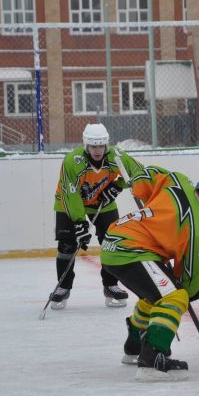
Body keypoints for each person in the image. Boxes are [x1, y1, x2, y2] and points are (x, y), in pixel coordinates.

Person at [100, 164, 199, 381]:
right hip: (130, 250)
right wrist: (188, 293)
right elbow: (190, 275)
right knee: (175, 296)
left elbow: (150, 174)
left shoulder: (179, 179)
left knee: (159, 295)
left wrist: (137, 185)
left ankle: (135, 343)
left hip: (116, 241)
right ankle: (151, 360)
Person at [51, 123, 142, 310]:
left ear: (106, 145)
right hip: (68, 203)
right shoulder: (72, 162)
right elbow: (71, 194)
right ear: (86, 146)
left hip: (101, 201)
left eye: (101, 146)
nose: (98, 151)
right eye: (93, 146)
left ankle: (111, 285)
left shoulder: (117, 157)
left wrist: (117, 186)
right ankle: (63, 286)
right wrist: (78, 223)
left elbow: (137, 173)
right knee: (67, 244)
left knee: (112, 241)